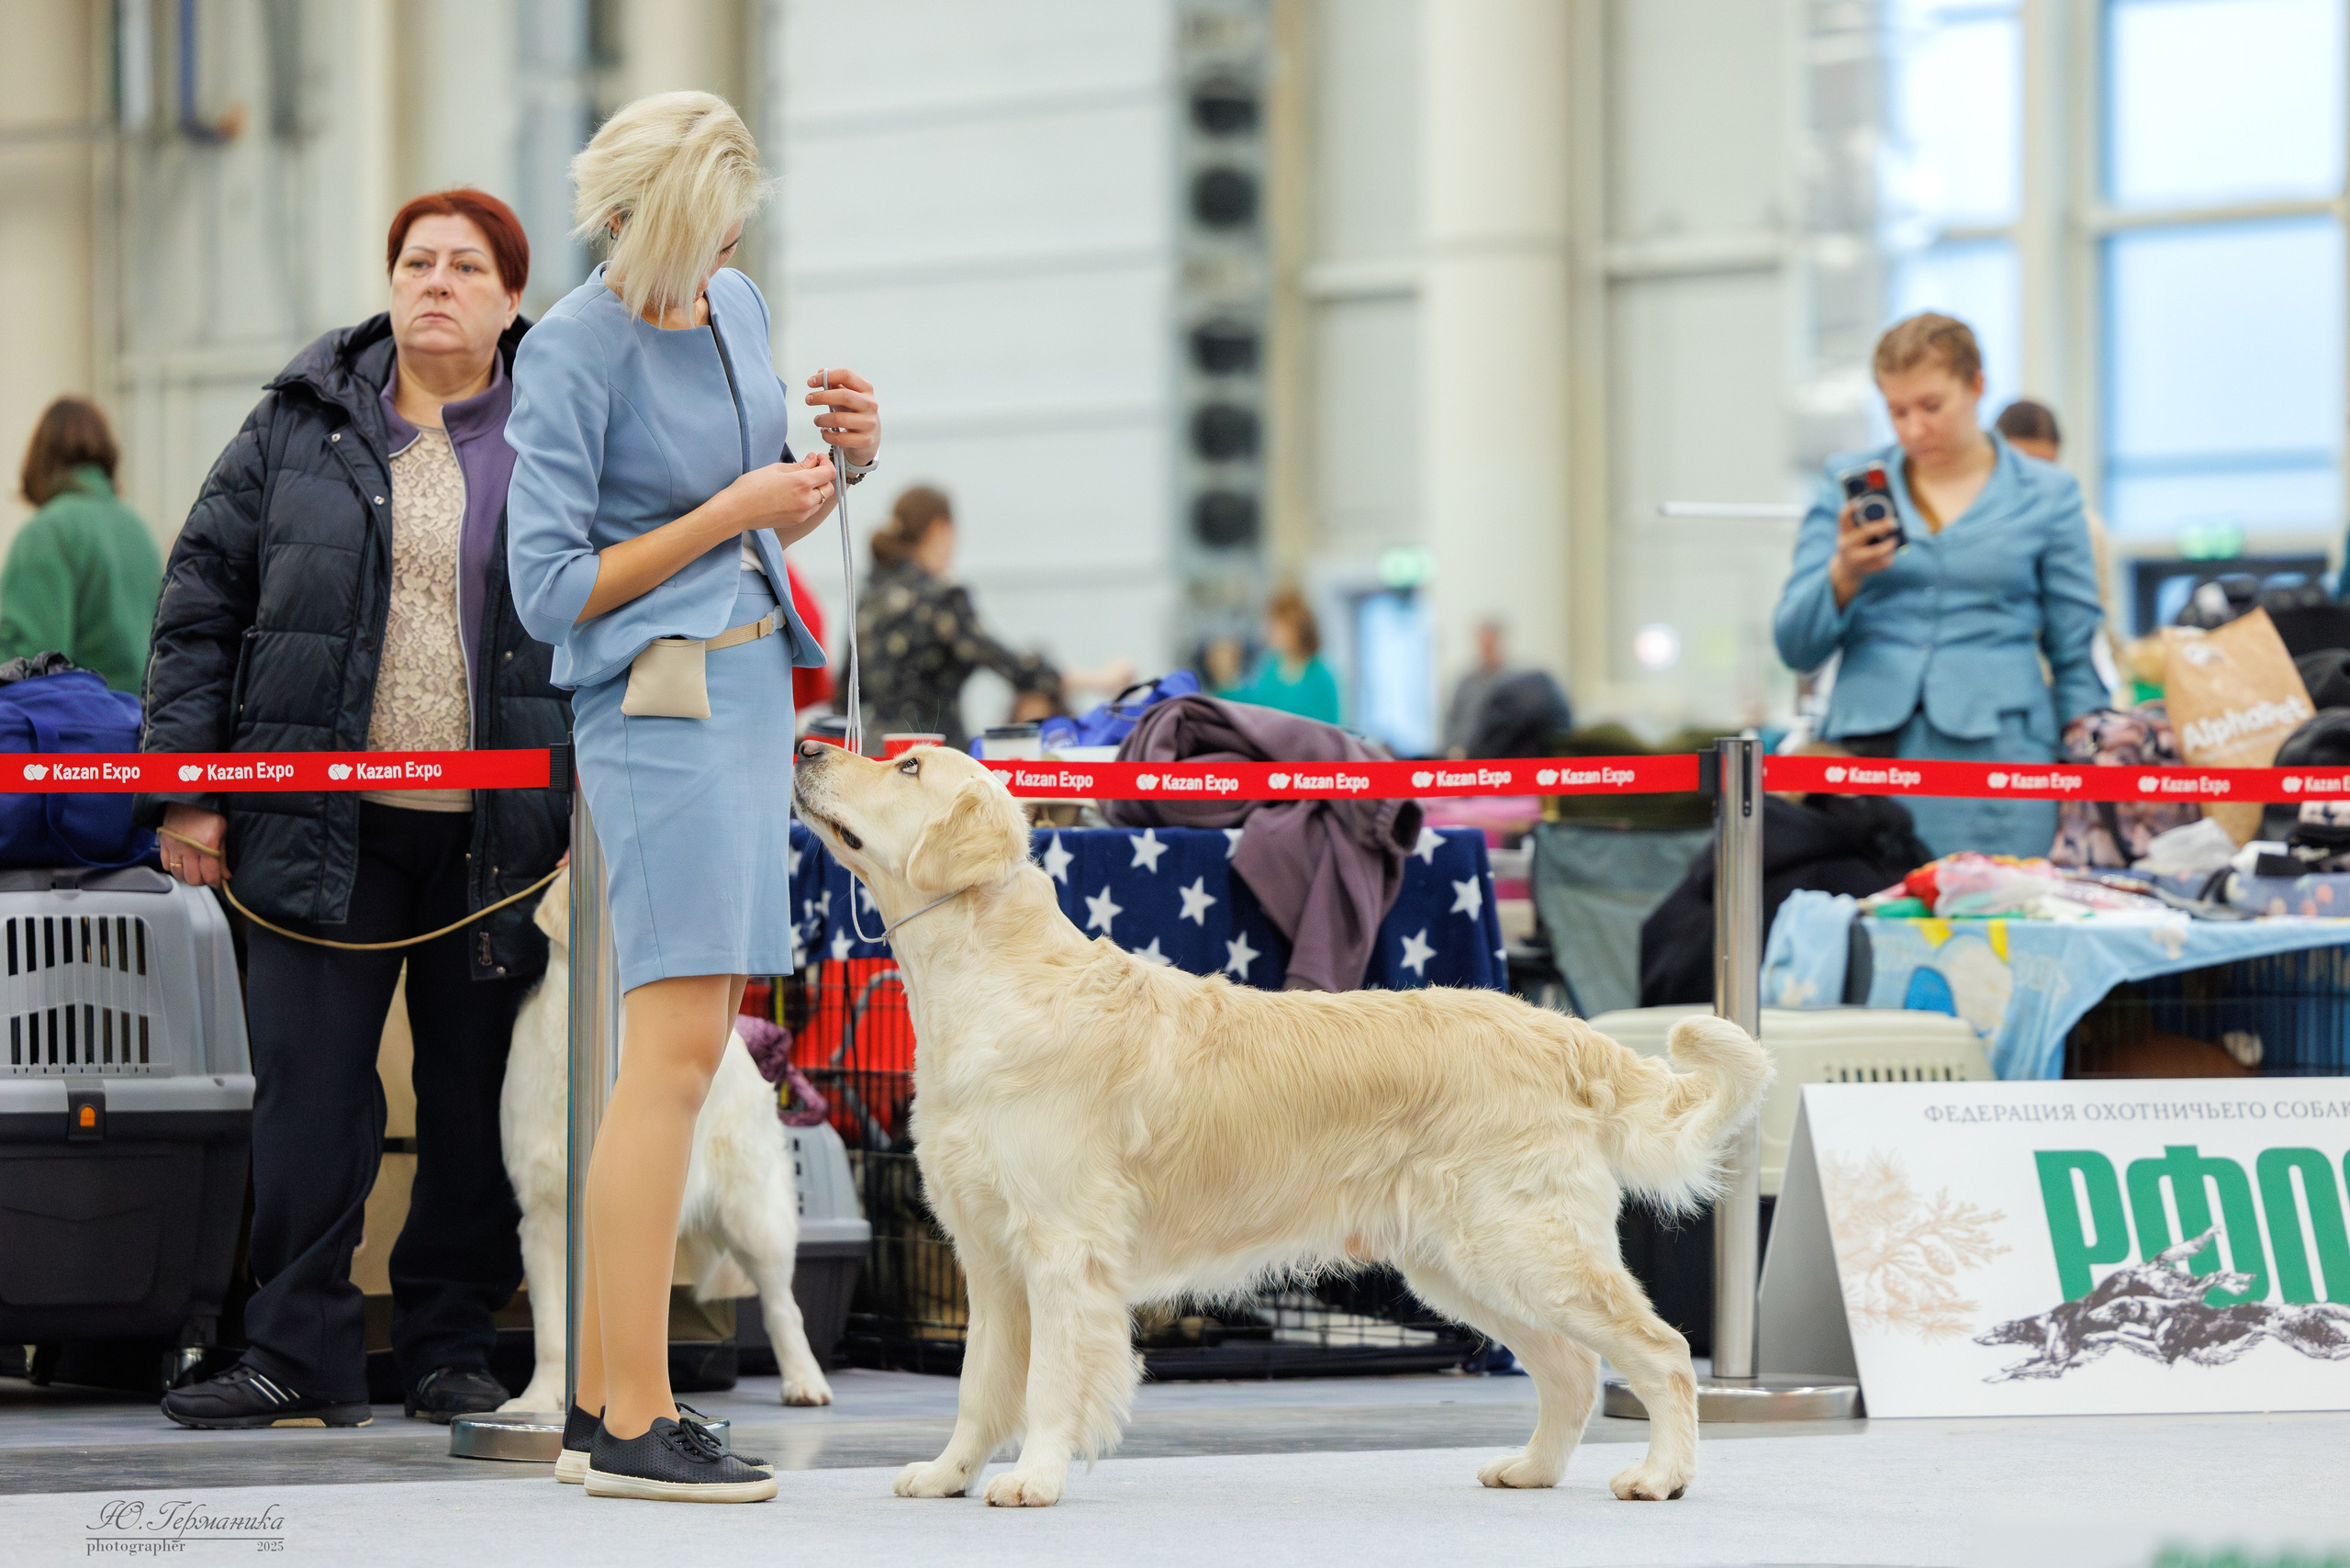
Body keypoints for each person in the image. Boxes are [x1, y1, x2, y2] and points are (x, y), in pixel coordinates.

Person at [140, 189, 570, 1429]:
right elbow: (200, 601)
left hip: (503, 841)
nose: (435, 281)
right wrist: (190, 791)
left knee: (475, 1095)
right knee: (312, 1092)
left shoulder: (563, 430)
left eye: (465, 266)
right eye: (415, 262)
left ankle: (449, 1347)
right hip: (316, 824)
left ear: (510, 301)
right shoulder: (298, 423)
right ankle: (295, 1354)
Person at [505, 91, 875, 1504]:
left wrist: (840, 463)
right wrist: (735, 510)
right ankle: (627, 1416)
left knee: (689, 1051)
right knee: (664, 1066)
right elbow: (550, 591)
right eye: (702, 222)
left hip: (745, 700)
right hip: (652, 720)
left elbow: (778, 506)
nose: (723, 243)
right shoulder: (574, 352)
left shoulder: (739, 309)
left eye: (734, 223)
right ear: (631, 217)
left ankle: (616, 1404)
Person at [1774, 313, 2105, 859]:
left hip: (2002, 762)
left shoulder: (2048, 495)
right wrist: (1843, 573)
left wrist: (2089, 775)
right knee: (1865, 934)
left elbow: (2074, 652)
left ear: (1977, 387)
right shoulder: (1848, 486)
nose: (1912, 429)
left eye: (1931, 406)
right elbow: (1794, 645)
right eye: (1896, 410)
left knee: (2000, 930)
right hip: (1865, 760)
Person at [850, 484, 1069, 749]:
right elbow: (1011, 666)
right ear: (941, 529)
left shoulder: (870, 597)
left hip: (875, 756)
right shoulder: (942, 598)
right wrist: (1097, 680)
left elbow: (845, 691)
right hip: (933, 761)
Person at [0, 397, 162, 692]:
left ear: (39, 456)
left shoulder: (47, 533)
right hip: (142, 728)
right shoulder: (138, 531)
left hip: (79, 733)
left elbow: (25, 666)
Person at [1997, 398, 2126, 680]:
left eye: (2046, 468)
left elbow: (2100, 619)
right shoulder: (1974, 524)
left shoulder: (2084, 526)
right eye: (2024, 466)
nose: (2036, 481)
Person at [1222, 586, 1342, 724]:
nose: (1271, 631)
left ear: (1298, 628)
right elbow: (1252, 706)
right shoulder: (1270, 668)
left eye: (1279, 625)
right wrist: (1226, 680)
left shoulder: (1321, 677)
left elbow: (1331, 732)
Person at [1441, 619, 1508, 757]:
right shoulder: (1466, 682)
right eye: (1483, 646)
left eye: (1490, 646)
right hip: (1467, 756)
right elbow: (1452, 720)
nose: (1486, 651)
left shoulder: (1512, 682)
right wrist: (1453, 747)